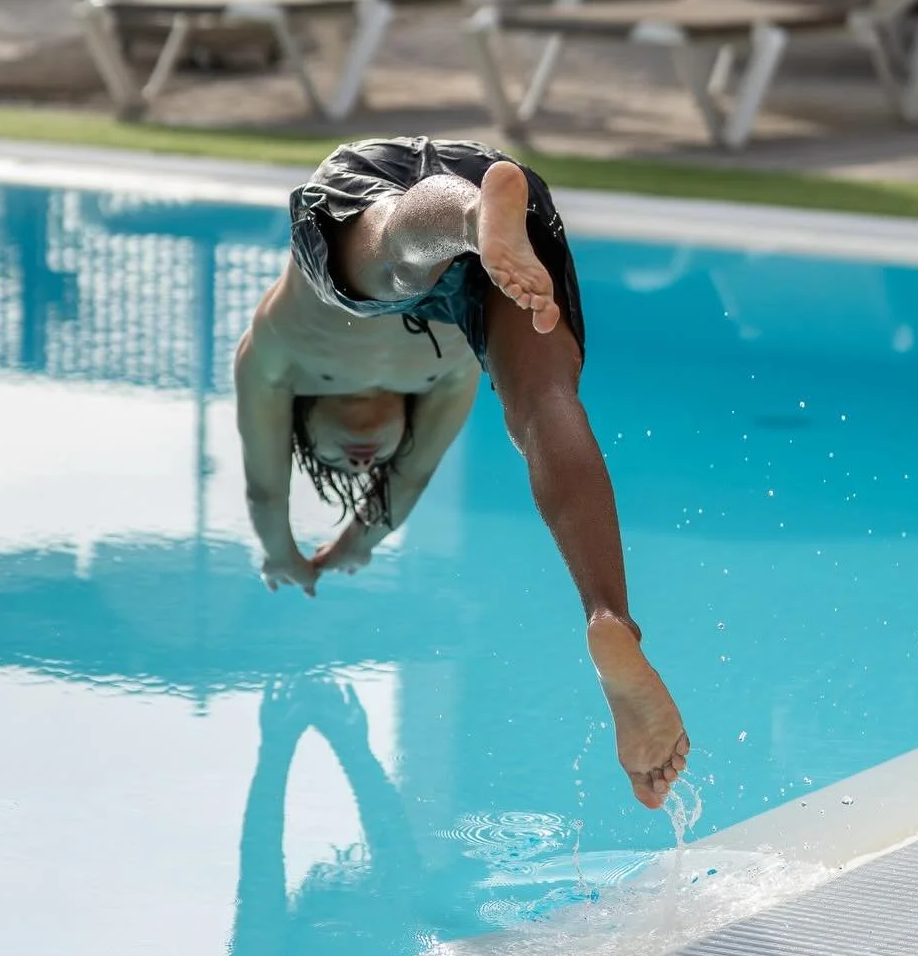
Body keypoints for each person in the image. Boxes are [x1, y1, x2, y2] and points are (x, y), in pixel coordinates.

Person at [234, 136, 688, 809]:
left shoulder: (276, 356)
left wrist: (282, 552)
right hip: (499, 216)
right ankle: (611, 617)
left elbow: (266, 482)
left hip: (385, 190)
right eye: (369, 465)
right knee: (543, 402)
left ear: (305, 419)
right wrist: (354, 543)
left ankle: (475, 218)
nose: (360, 460)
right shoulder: (444, 378)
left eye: (331, 458)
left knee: (390, 268)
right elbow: (409, 478)